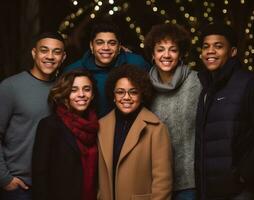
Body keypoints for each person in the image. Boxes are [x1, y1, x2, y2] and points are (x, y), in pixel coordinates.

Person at [195, 22, 254, 200]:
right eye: (206, 46)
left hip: (241, 192)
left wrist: (244, 175)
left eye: (218, 46)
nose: (210, 51)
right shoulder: (204, 88)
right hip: (209, 191)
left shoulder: (251, 83)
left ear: (233, 52)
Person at [0, 32, 66, 200]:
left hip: (53, 184)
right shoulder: (11, 87)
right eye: (44, 50)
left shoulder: (64, 89)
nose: (50, 56)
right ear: (34, 53)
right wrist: (5, 178)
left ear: (63, 57)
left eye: (56, 52)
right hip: (20, 186)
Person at [97, 64, 173, 200]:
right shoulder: (101, 126)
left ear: (142, 95)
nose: (126, 97)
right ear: (113, 96)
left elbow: (163, 182)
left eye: (133, 92)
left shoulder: (156, 129)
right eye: (120, 92)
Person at [144, 23, 201, 200]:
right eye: (160, 49)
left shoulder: (198, 82)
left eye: (173, 50)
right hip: (154, 181)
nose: (166, 55)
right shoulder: (144, 88)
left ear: (181, 54)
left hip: (190, 182)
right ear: (153, 55)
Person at [32, 70, 99, 200]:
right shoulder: (49, 126)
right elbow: (40, 175)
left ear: (93, 95)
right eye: (73, 90)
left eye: (86, 89)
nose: (81, 94)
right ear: (64, 94)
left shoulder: (96, 125)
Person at [63, 20, 151, 117]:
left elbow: (151, 93)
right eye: (99, 43)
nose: (106, 47)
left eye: (112, 43)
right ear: (91, 46)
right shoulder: (73, 70)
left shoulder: (137, 63)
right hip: (89, 128)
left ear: (119, 47)